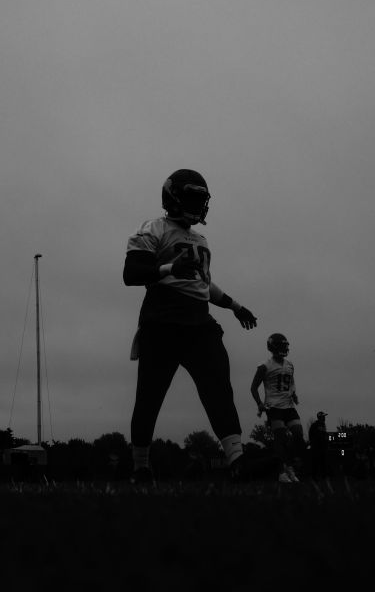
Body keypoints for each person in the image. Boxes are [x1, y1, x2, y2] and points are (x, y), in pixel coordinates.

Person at [123, 169, 259, 484]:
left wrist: (236, 306)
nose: (197, 204)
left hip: (199, 322)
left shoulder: (200, 239)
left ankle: (238, 460)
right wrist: (171, 267)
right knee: (150, 396)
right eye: (192, 197)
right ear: (172, 196)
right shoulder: (153, 228)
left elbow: (203, 285)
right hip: (163, 319)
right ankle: (141, 467)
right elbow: (132, 273)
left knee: (218, 389)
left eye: (201, 198)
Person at [250, 333, 304, 483]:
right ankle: (282, 472)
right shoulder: (264, 366)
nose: (284, 348)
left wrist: (293, 394)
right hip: (274, 406)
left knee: (298, 435)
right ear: (273, 347)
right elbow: (253, 388)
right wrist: (259, 403)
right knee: (280, 437)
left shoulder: (289, 365)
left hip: (288, 405)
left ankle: (289, 466)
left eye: (285, 345)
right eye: (281, 345)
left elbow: (291, 382)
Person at [307, 411, 329, 479]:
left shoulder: (323, 425)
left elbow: (324, 436)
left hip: (322, 447)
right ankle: (314, 476)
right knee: (315, 462)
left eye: (324, 416)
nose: (324, 418)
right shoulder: (315, 425)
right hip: (316, 447)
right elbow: (311, 435)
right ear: (320, 417)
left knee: (323, 462)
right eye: (323, 416)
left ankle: (323, 476)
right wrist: (313, 444)